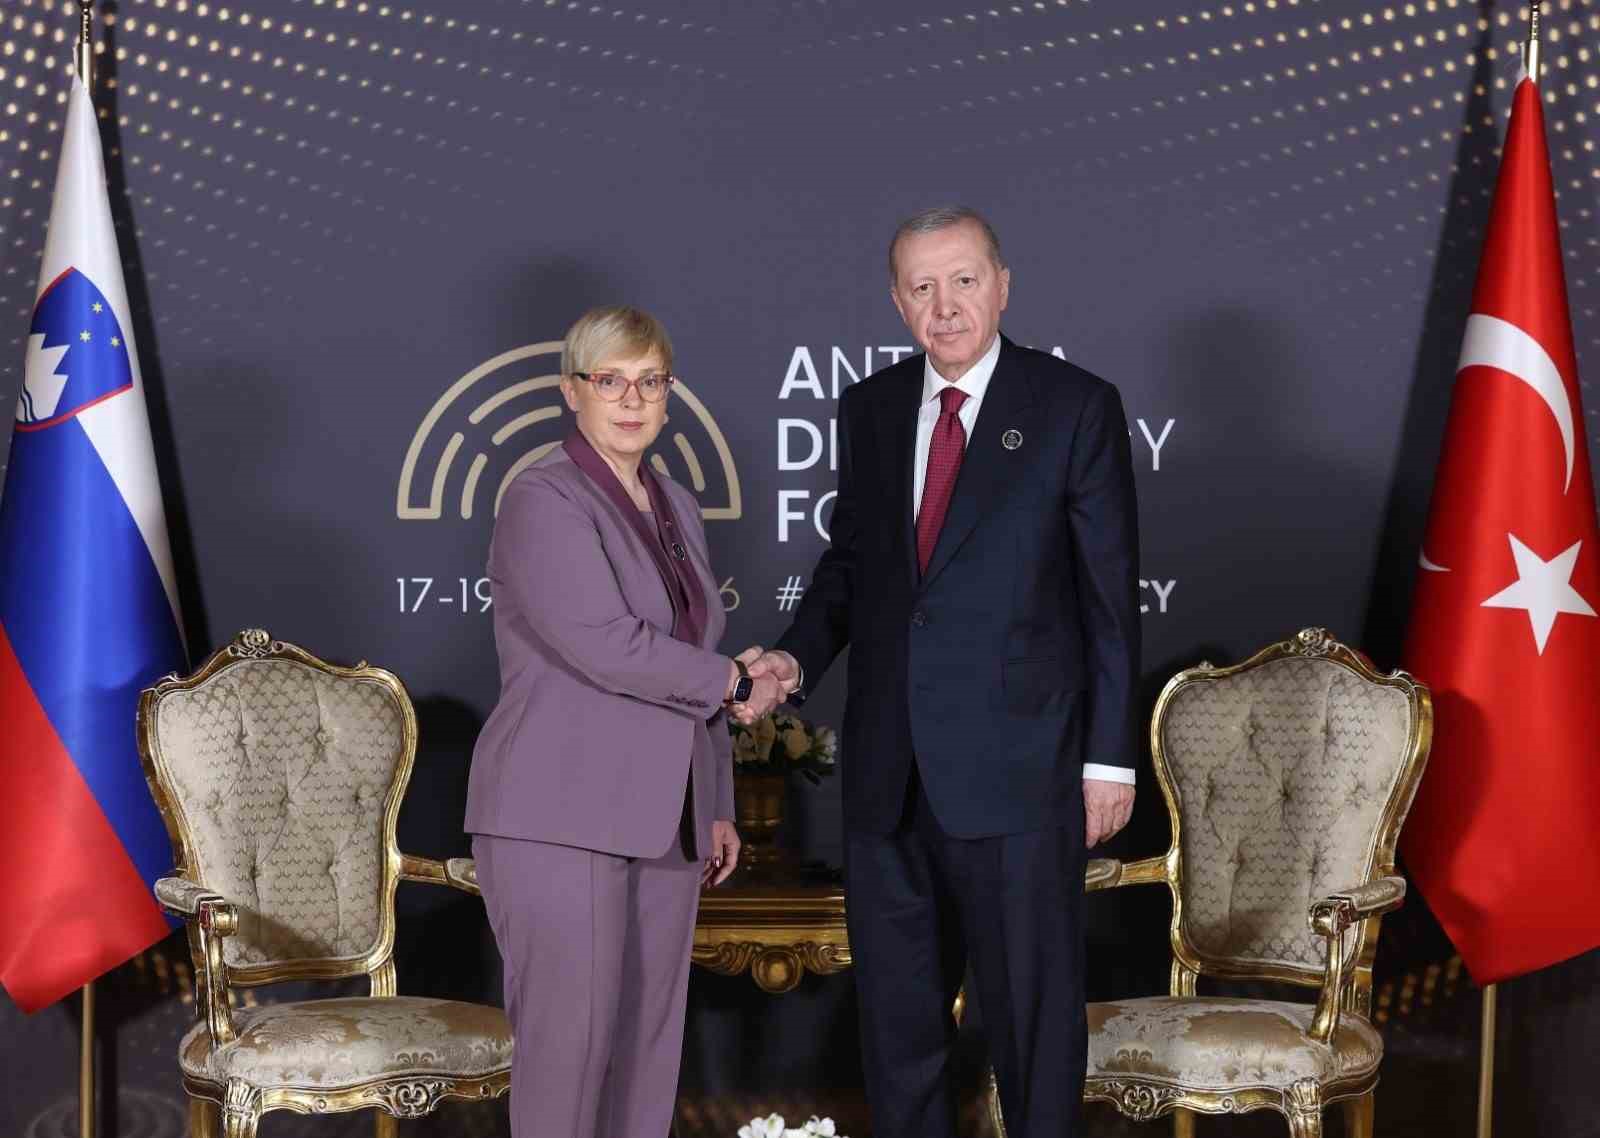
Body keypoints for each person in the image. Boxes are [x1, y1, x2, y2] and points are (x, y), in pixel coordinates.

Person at [747, 207, 1141, 1138]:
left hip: (1022, 777)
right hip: (890, 780)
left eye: (963, 280)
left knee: (1032, 1033)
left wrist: (1109, 762)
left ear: (1002, 286)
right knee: (899, 1037)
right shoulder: (872, 408)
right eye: (922, 287)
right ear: (897, 302)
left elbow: (1108, 602)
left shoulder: (1074, 407)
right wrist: (794, 658)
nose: (945, 305)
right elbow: (852, 568)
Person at [464, 305, 782, 1138]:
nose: (632, 399)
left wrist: (714, 802)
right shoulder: (542, 497)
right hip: (557, 814)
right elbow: (604, 644)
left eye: (650, 381)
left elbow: (689, 653)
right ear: (572, 391)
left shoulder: (676, 502)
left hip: (665, 818)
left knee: (646, 1055)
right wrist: (736, 679)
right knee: (568, 1058)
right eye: (610, 380)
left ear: (669, 394)